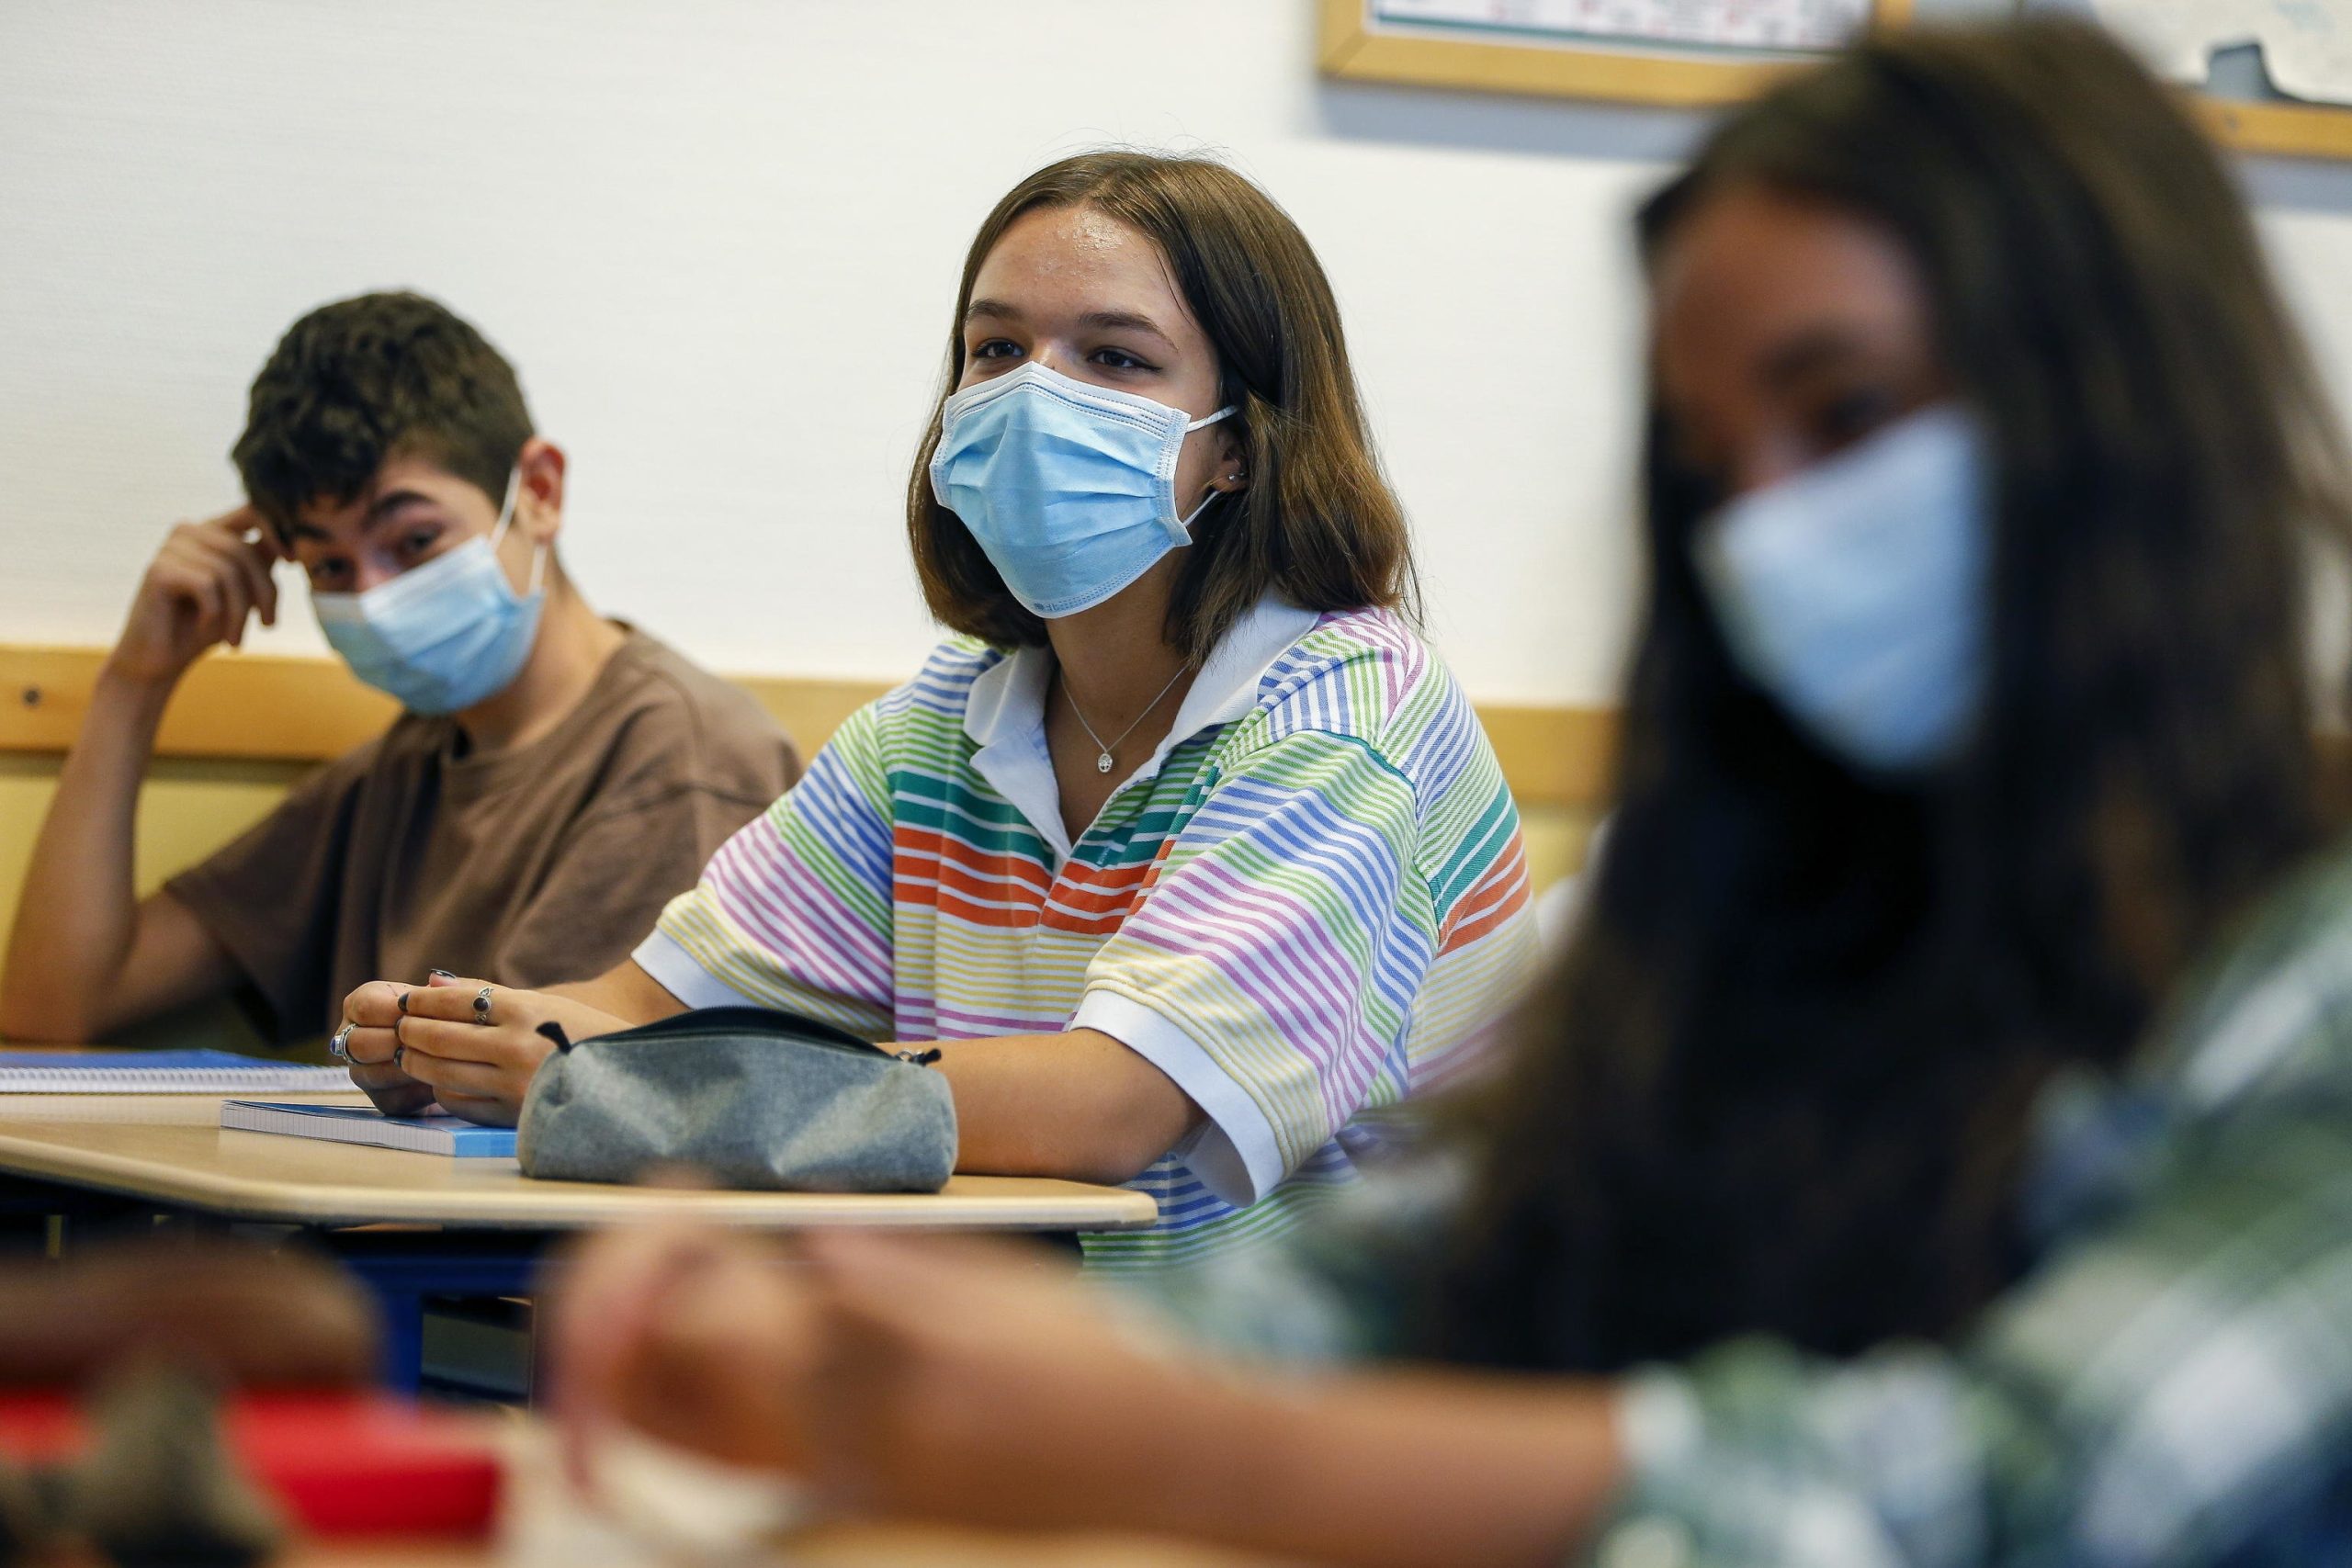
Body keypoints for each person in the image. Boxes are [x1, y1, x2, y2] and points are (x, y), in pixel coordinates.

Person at [542, 20, 2352, 1565]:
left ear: (2121, 408)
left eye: (1848, 416)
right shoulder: (1769, 888)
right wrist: (876, 1346)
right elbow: (1429, 1262)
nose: (1771, 525)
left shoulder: (2310, 949)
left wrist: (1167, 1438)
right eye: (1712, 463)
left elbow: (2008, 1485)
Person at [334, 153, 1540, 1265]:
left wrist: (621, 1079)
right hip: (1047, 1379)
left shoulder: (1349, 711)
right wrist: (468, 1035)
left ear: (1239, 446)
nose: (1031, 396)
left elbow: (1115, 1103)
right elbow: (635, 1012)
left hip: (1358, 1407)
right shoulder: (937, 728)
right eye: (996, 349)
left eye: (1115, 358)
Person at [0, 293, 799, 1059]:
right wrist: (136, 682)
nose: (375, 601)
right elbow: (53, 1008)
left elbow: (536, 1107)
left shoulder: (681, 762)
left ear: (541, 493)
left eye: (413, 540)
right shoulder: (402, 770)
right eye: (330, 565)